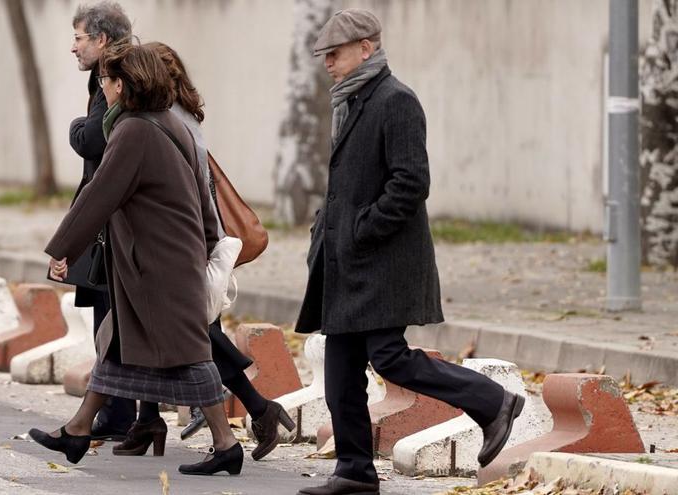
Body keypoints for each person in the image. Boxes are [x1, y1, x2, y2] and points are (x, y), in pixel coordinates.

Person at [294, 9, 524, 495]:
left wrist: (359, 230)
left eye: (333, 54)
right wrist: (327, 230)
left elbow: (410, 182)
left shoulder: (394, 101)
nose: (327, 64)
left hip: (382, 261)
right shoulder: (351, 103)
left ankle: (492, 400)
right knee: (340, 374)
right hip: (348, 262)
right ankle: (355, 471)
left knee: (390, 358)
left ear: (367, 48)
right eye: (323, 56)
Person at [30, 42, 243, 476]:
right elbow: (203, 193)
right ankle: (78, 428)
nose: (101, 88)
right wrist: (203, 243)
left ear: (122, 85)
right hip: (165, 259)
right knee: (116, 340)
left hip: (160, 265)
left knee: (190, 353)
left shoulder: (133, 131)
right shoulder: (166, 122)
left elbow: (99, 196)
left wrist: (62, 251)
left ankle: (226, 443)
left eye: (105, 81)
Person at [107, 41, 294, 463]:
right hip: (174, 244)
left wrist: (204, 243)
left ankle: (251, 416)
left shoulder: (166, 119)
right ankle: (148, 418)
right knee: (159, 333)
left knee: (193, 342)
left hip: (180, 245)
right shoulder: (173, 115)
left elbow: (194, 190)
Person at [66, 1, 136, 441]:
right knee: (106, 312)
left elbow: (94, 137)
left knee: (117, 318)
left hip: (119, 215)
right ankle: (122, 414)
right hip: (109, 214)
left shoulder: (117, 76)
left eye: (78, 38)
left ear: (101, 40)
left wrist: (75, 126)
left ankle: (121, 415)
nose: (72, 48)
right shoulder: (104, 75)